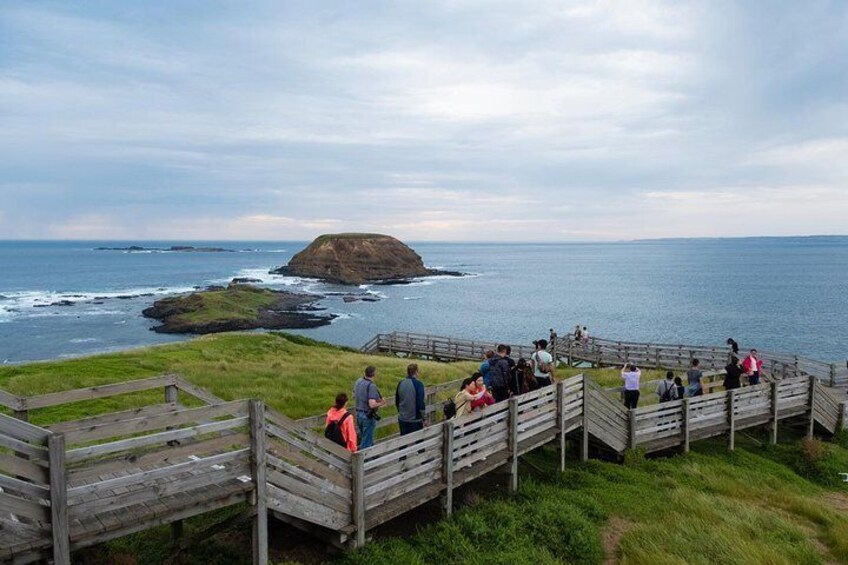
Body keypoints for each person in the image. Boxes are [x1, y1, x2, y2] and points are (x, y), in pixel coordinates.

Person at [353, 366, 387, 450]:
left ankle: (372, 455)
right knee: (366, 441)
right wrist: (381, 402)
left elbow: (353, 395)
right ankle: (364, 460)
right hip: (367, 416)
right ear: (374, 374)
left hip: (358, 413)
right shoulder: (371, 386)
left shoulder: (358, 381)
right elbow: (372, 404)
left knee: (365, 436)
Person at [395, 363, 426, 436]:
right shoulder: (418, 384)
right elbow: (420, 402)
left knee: (403, 442)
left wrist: (400, 411)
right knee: (418, 442)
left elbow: (397, 400)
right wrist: (424, 418)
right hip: (415, 420)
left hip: (402, 418)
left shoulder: (400, 383)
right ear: (416, 372)